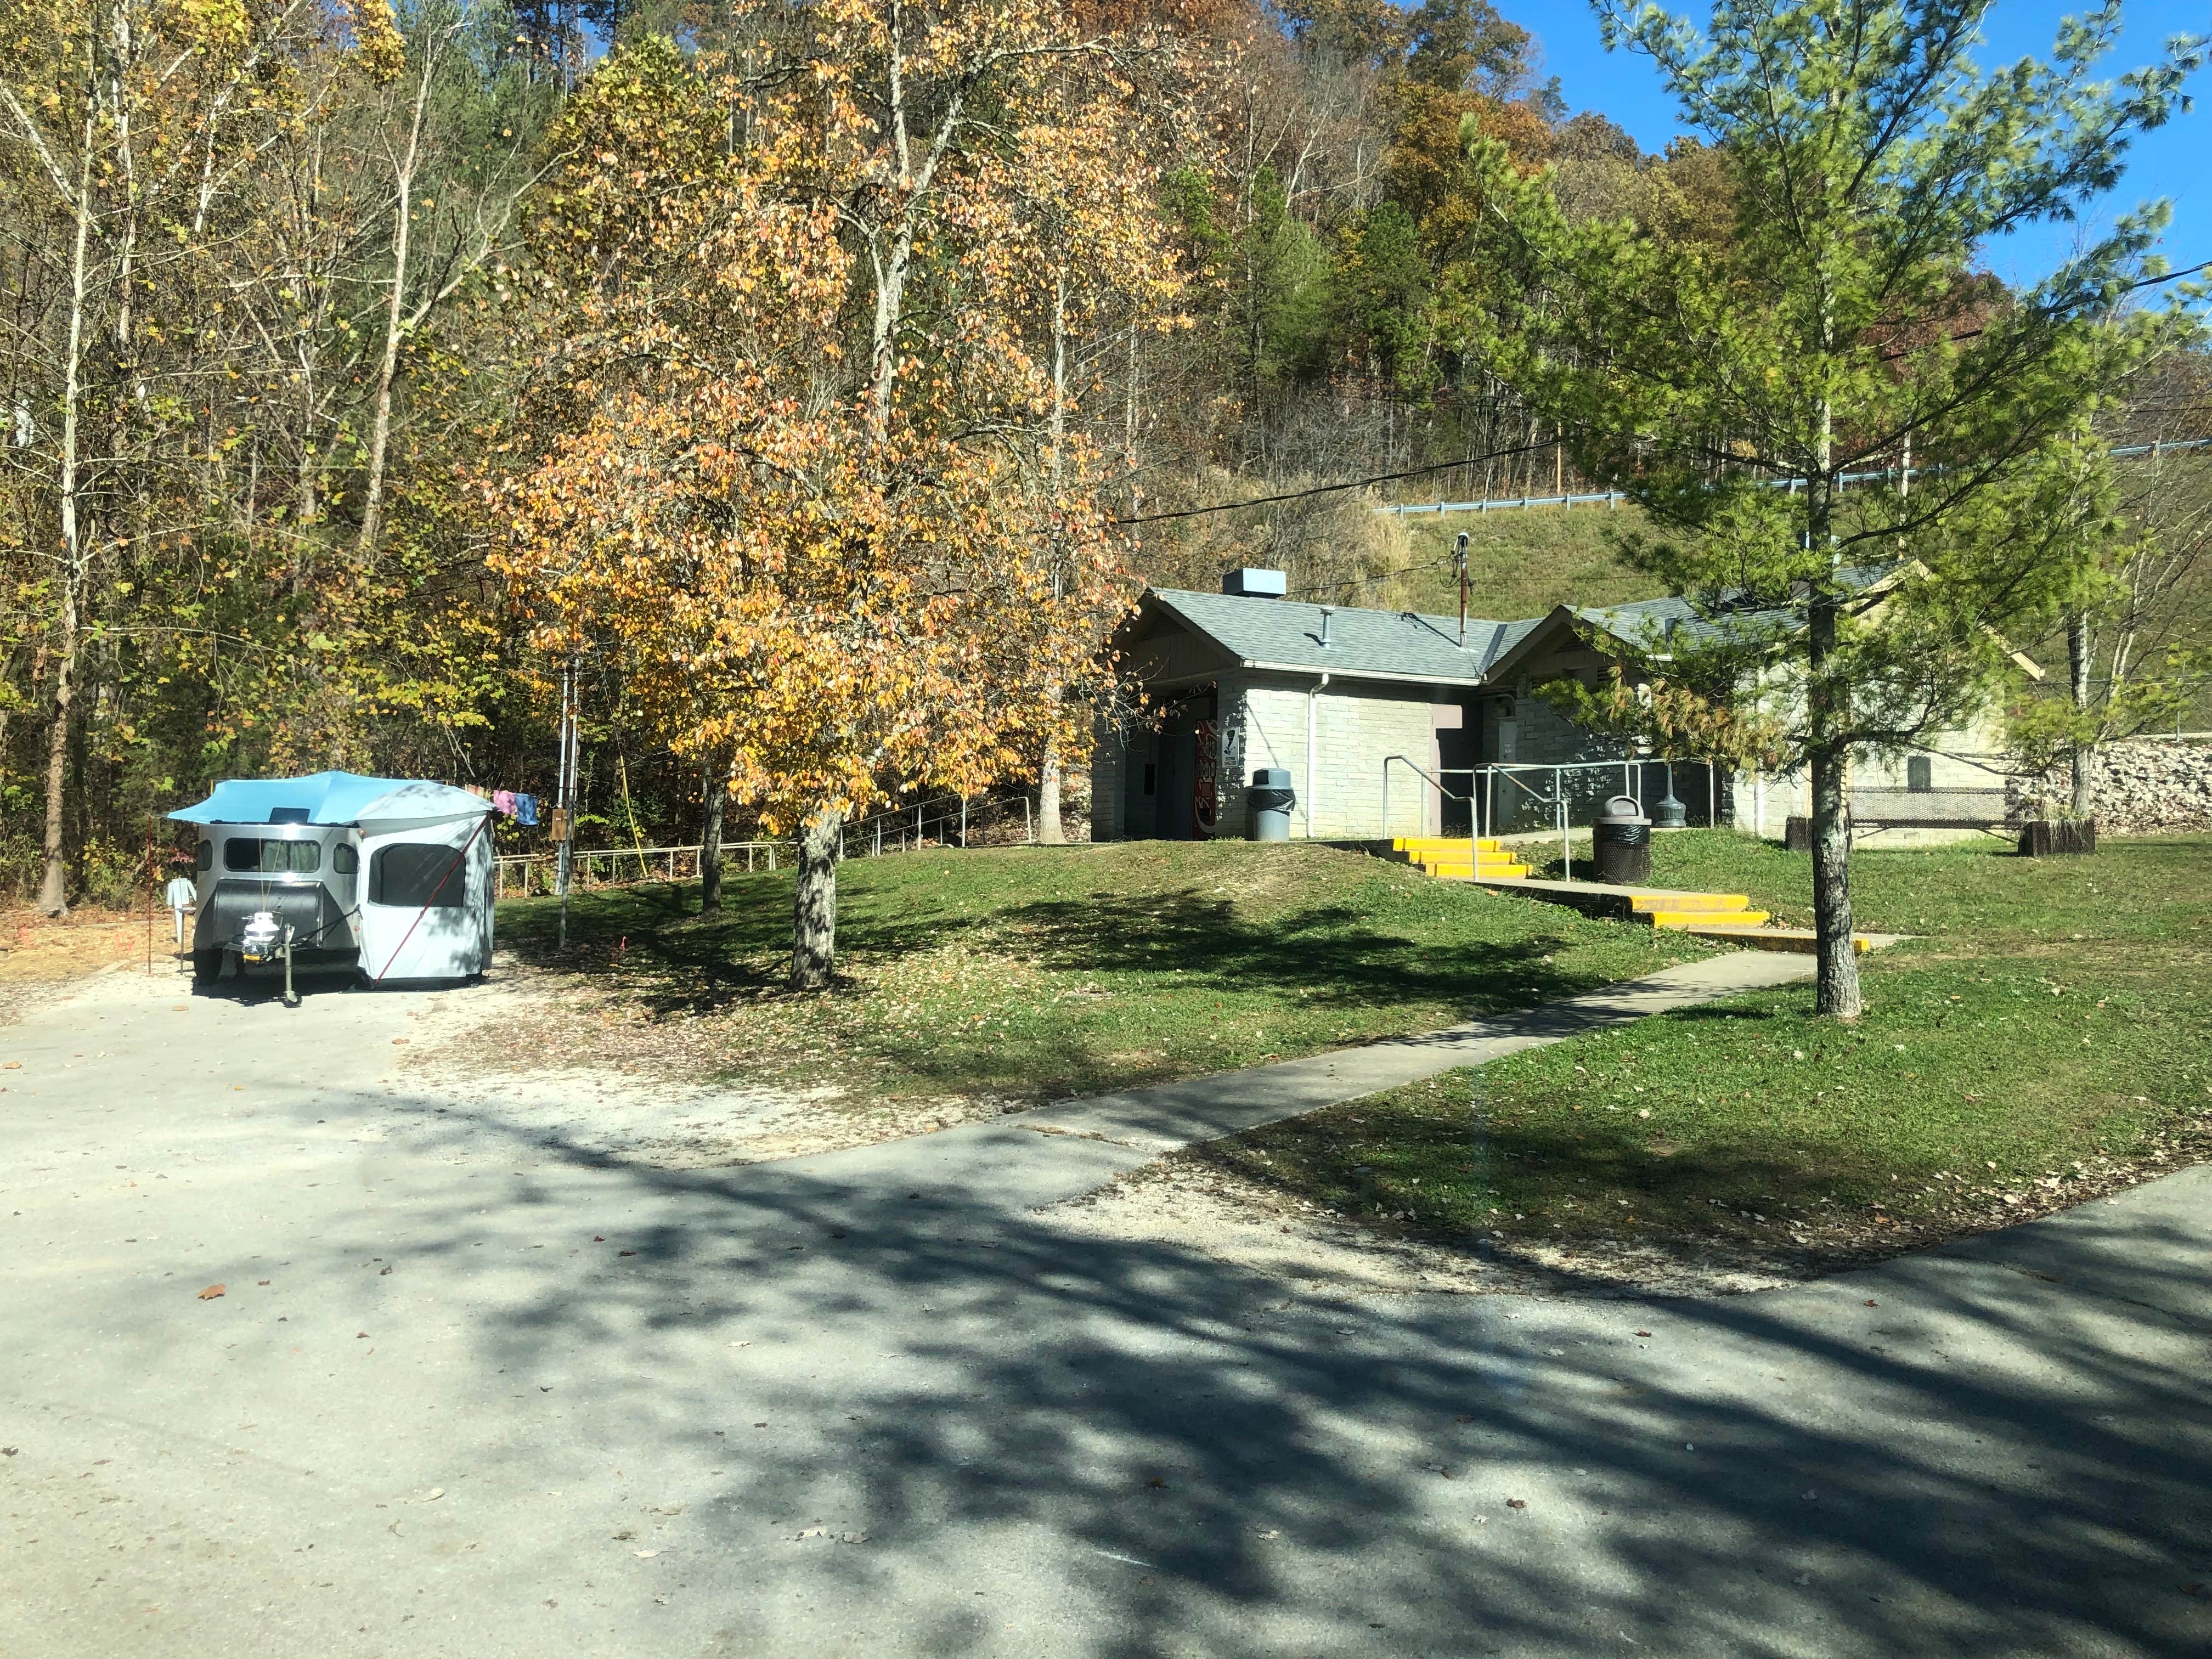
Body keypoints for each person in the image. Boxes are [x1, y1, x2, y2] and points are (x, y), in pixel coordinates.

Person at [165, 871, 197, 945]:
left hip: (179, 904)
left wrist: (170, 904)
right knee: (179, 918)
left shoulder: (171, 885)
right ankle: (180, 939)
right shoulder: (186, 883)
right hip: (179, 904)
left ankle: (180, 938)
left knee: (179, 919)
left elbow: (169, 900)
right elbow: (195, 896)